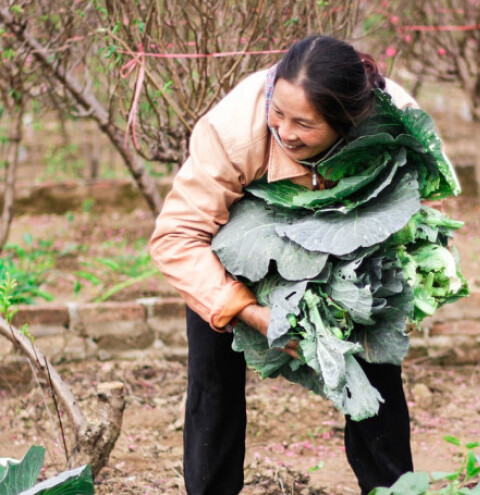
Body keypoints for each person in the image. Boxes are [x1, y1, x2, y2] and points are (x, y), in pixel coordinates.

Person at [149, 35, 417, 495]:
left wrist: (365, 290)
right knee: (213, 382)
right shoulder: (233, 130)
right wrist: (252, 312)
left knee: (376, 375)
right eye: (278, 112)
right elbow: (177, 237)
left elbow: (417, 208)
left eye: (304, 123)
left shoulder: (396, 126)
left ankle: (393, 490)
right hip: (234, 253)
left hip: (344, 254)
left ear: (347, 122)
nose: (285, 131)